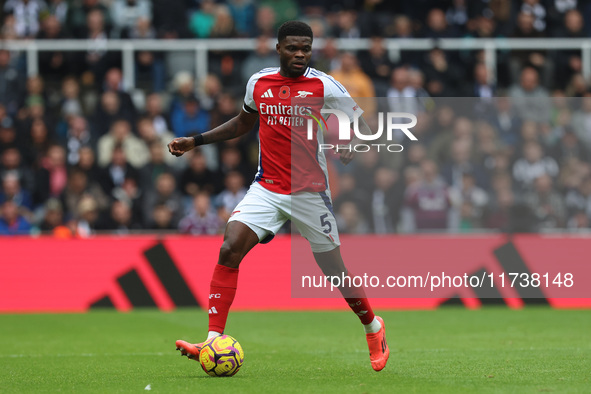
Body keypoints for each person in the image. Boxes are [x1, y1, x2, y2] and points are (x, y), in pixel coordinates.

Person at [168, 21, 389, 372]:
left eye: (306, 48)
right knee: (229, 248)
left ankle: (373, 327)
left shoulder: (325, 85)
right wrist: (196, 141)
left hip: (310, 192)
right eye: (293, 48)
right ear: (279, 48)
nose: (300, 54)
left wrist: (350, 143)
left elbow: (359, 122)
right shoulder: (259, 83)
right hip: (267, 187)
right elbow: (243, 123)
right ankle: (212, 340)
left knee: (334, 270)